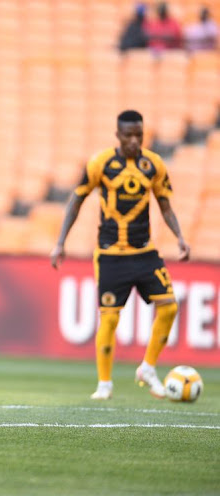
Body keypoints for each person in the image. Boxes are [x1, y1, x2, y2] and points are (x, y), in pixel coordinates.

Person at [50, 110, 189, 401]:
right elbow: (76, 201)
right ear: (118, 135)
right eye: (129, 135)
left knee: (169, 306)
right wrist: (61, 242)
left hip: (145, 252)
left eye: (139, 135)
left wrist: (179, 238)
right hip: (111, 254)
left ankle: (148, 368)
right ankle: (104, 384)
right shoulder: (101, 163)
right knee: (110, 319)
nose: (134, 141)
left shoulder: (154, 165)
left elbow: (165, 205)